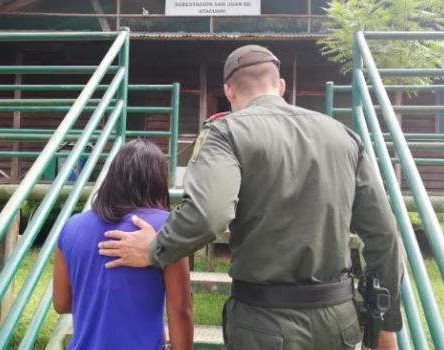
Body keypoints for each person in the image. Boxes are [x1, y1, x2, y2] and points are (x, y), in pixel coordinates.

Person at [98, 45, 403, 350]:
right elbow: (385, 235)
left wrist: (155, 249)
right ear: (281, 86)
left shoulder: (226, 133)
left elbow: (209, 214)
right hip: (339, 323)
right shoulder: (344, 136)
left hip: (263, 324)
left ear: (228, 91)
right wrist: (386, 324)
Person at [53, 139, 193, 350]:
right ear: (157, 181)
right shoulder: (167, 228)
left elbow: (61, 303)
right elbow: (180, 309)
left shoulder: (71, 227)